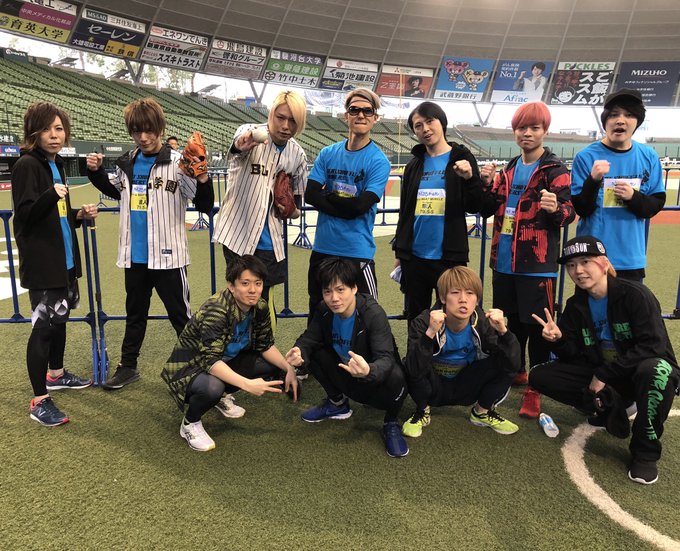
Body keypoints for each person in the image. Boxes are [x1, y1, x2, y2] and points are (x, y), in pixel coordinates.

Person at [86, 97, 214, 390]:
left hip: (169, 257)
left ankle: (202, 367)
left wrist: (203, 176)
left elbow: (205, 205)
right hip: (135, 256)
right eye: (136, 131)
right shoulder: (127, 162)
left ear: (160, 129)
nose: (143, 137)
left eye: (149, 130)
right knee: (135, 315)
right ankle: (128, 367)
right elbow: (116, 191)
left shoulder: (179, 163)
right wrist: (95, 172)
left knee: (181, 317)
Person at [529, 236, 679, 485]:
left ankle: (644, 453)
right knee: (539, 375)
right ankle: (613, 406)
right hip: (606, 375)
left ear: (604, 264)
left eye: (585, 261)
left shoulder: (635, 295)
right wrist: (558, 339)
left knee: (656, 370)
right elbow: (572, 354)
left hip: (640, 372)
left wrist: (603, 375)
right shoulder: (576, 304)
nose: (578, 270)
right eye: (571, 265)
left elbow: (653, 346)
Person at [479, 101, 574, 419]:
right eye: (522, 127)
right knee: (510, 324)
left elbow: (569, 213)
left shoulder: (555, 171)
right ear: (515, 132)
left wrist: (556, 209)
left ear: (545, 131)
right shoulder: (507, 170)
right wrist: (485, 183)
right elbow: (489, 207)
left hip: (537, 264)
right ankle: (516, 371)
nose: (527, 133)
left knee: (538, 329)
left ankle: (536, 387)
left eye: (534, 127)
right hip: (503, 262)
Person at [11, 101, 97, 426]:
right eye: (46, 129)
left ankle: (56, 374)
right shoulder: (27, 165)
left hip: (64, 262)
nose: (54, 135)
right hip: (44, 266)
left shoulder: (55, 164)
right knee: (44, 329)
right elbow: (26, 216)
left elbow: (57, 216)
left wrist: (79, 215)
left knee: (60, 322)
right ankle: (39, 400)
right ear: (33, 132)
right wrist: (51, 194)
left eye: (59, 128)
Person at [161, 255, 298, 451]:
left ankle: (221, 397)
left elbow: (265, 345)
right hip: (190, 368)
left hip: (224, 361)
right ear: (231, 286)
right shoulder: (217, 310)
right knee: (212, 387)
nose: (253, 290)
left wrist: (288, 368)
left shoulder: (259, 307)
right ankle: (190, 423)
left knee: (271, 365)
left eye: (258, 283)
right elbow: (210, 361)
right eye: (245, 283)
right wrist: (247, 384)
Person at [286, 258, 409, 458]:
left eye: (340, 290)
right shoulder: (324, 310)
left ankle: (391, 422)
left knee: (397, 375)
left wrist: (369, 370)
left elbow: (386, 358)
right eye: (327, 291)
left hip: (373, 381)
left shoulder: (373, 313)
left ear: (354, 288)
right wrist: (299, 351)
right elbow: (309, 338)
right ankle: (337, 404)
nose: (334, 298)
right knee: (312, 352)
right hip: (346, 374)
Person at [212, 90, 308, 326]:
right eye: (280, 117)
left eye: (293, 120)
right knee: (239, 300)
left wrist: (290, 209)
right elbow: (238, 146)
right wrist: (241, 144)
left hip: (269, 242)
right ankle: (237, 347)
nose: (285, 126)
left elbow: (297, 206)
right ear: (271, 114)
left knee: (263, 303)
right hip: (237, 235)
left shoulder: (297, 154)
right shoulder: (251, 134)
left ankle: (265, 347)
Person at [401, 266, 521, 438]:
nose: (463, 299)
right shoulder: (423, 321)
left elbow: (513, 363)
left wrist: (504, 332)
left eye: (470, 293)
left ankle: (481, 412)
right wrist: (430, 333)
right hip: (433, 386)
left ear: (477, 300)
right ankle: (422, 411)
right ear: (443, 297)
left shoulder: (484, 322)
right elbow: (413, 368)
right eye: (455, 292)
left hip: (466, 384)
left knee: (506, 359)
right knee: (410, 362)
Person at [304, 88, 390, 317]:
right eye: (354, 110)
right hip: (323, 248)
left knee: (367, 315)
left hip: (357, 251)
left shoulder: (378, 161)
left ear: (375, 118)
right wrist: (348, 206)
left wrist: (329, 196)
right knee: (319, 313)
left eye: (367, 111)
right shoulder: (327, 153)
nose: (360, 115)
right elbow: (310, 195)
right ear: (346, 115)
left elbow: (360, 207)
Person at [393, 101, 483, 321]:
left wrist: (470, 179)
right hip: (415, 258)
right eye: (418, 125)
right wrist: (400, 251)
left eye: (430, 121)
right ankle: (418, 347)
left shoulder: (462, 159)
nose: (425, 129)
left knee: (454, 316)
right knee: (417, 318)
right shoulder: (414, 165)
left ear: (441, 122)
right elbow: (405, 211)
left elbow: (475, 205)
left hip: (449, 257)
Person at [570, 88, 665, 281]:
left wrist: (633, 197)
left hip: (631, 258)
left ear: (637, 122)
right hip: (592, 256)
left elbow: (654, 204)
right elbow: (582, 209)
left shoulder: (649, 156)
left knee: (630, 301)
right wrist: (593, 180)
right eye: (613, 115)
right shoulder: (585, 157)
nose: (620, 120)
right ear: (605, 121)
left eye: (628, 115)